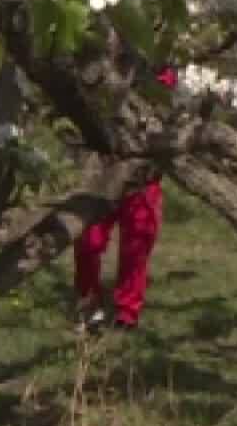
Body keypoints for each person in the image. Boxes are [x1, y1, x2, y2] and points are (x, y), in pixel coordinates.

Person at [75, 65, 178, 332]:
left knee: (138, 240)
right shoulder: (99, 62)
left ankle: (127, 312)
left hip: (142, 169)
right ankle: (88, 303)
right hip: (103, 166)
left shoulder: (160, 68)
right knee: (89, 239)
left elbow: (164, 109)